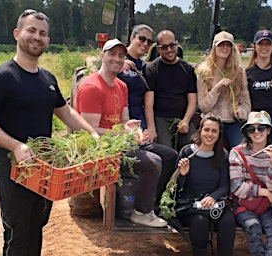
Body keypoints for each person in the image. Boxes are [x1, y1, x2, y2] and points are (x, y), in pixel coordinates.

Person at [0, 9, 99, 255]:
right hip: (13, 170)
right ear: (17, 34)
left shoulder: (46, 78)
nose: (37, 37)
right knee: (18, 233)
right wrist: (15, 146)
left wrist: (91, 133)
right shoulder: (2, 77)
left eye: (43, 33)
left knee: (36, 227)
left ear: (48, 41)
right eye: (31, 30)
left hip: (43, 170)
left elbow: (65, 111)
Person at [74, 38, 167, 228]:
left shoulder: (121, 86)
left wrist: (133, 128)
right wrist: (122, 134)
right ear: (102, 56)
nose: (117, 59)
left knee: (170, 155)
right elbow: (90, 131)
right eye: (112, 54)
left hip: (120, 141)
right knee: (153, 162)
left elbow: (124, 119)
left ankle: (149, 202)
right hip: (101, 148)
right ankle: (140, 212)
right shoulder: (91, 87)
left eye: (121, 55)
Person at [117, 24, 178, 213]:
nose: (145, 44)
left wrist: (150, 127)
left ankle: (151, 200)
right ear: (132, 38)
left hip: (138, 118)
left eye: (149, 42)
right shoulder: (117, 59)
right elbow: (99, 72)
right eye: (141, 39)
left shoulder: (145, 67)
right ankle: (126, 203)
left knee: (160, 154)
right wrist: (120, 63)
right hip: (119, 118)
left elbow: (148, 98)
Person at [229, 111, 272, 256]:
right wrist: (265, 192)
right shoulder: (237, 153)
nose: (256, 132)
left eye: (261, 128)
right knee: (253, 227)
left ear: (268, 131)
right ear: (247, 133)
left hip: (267, 205)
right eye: (251, 129)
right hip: (244, 204)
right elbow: (237, 187)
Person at [176, 115, 236, 256]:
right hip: (191, 205)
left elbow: (224, 185)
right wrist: (183, 175)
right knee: (200, 221)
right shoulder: (187, 152)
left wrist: (213, 197)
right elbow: (176, 188)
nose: (210, 134)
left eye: (214, 131)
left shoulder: (223, 154)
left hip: (214, 203)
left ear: (219, 133)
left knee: (228, 221)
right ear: (200, 131)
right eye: (206, 130)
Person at [196, 31, 251, 148]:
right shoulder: (203, 72)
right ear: (214, 47)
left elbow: (246, 102)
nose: (225, 48)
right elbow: (203, 106)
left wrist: (241, 112)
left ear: (232, 48)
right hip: (211, 121)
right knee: (207, 149)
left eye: (228, 45)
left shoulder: (240, 71)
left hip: (233, 122)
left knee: (241, 150)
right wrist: (217, 87)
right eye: (221, 45)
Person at [145, 29, 198, 151]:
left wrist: (186, 120)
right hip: (161, 118)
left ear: (177, 44)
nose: (169, 50)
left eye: (172, 45)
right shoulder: (152, 69)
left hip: (183, 116)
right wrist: (151, 128)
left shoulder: (188, 69)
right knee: (165, 151)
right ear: (158, 49)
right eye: (164, 47)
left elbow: (192, 100)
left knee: (191, 149)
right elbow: (148, 103)